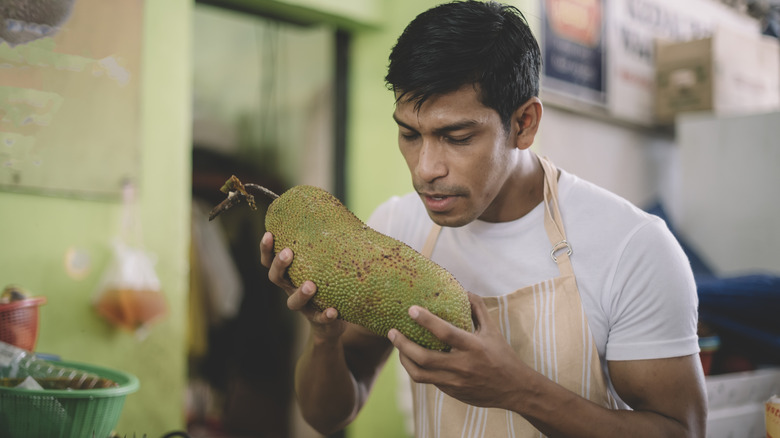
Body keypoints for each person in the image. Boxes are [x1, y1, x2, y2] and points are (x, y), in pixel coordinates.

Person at [260, 1, 707, 437]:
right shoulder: (398, 227)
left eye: (456, 136)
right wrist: (324, 338)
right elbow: (327, 417)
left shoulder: (632, 248)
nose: (425, 168)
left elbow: (680, 430)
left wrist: (517, 390)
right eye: (409, 134)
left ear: (524, 124)